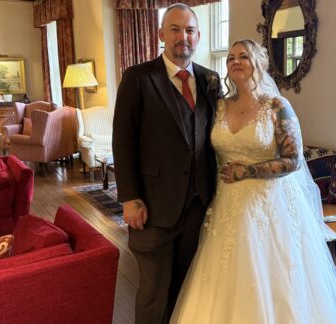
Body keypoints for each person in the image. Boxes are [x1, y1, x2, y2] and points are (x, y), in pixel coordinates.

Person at [170, 39, 336, 324]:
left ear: (259, 63)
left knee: (270, 277)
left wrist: (248, 171)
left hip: (268, 206)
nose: (236, 61)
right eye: (231, 58)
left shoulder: (277, 106)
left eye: (244, 56)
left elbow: (294, 159)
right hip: (226, 204)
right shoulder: (218, 106)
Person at [112, 4, 221, 324]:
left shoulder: (210, 80)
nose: (182, 37)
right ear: (161, 34)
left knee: (185, 287)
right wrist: (130, 198)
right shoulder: (137, 78)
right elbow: (124, 141)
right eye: (175, 29)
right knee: (153, 293)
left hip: (198, 205)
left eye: (189, 30)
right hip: (152, 206)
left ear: (198, 36)